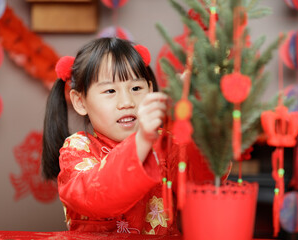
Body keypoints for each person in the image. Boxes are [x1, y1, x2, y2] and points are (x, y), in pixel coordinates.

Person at [41, 37, 216, 235]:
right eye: (110, 90)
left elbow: (203, 182)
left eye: (136, 88)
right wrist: (141, 140)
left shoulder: (165, 142)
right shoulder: (77, 148)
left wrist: (194, 115)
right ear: (80, 102)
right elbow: (98, 197)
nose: (127, 102)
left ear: (150, 90)